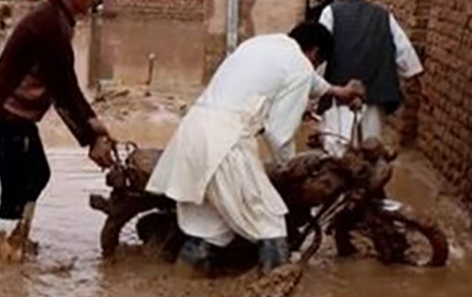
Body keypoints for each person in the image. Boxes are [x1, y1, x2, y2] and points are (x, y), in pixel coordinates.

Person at [146, 23, 364, 274]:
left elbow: (305, 78)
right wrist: (291, 170)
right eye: (318, 61)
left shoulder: (260, 45)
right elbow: (279, 134)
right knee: (271, 224)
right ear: (315, 53)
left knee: (210, 230)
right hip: (227, 143)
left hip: (192, 134)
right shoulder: (300, 67)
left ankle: (177, 289)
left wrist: (337, 91)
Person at [0, 0, 115, 259]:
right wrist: (91, 138)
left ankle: (18, 240)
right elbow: (63, 91)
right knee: (15, 187)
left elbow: (66, 86)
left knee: (37, 174)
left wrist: (94, 125)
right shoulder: (50, 27)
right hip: (3, 112)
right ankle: (3, 254)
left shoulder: (59, 18)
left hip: (16, 114)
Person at [317, 0, 423, 156]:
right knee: (370, 148)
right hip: (374, 95)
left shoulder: (330, 12)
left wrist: (317, 88)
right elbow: (404, 52)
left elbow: (321, 54)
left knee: (337, 149)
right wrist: (411, 77)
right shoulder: (382, 15)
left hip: (340, 95)